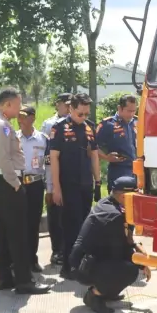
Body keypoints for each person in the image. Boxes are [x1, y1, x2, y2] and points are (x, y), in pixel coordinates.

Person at [0, 87, 51, 295]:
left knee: (3, 233)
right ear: (7, 104)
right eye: (18, 104)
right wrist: (16, 184)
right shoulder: (2, 126)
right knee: (18, 233)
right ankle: (24, 281)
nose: (20, 108)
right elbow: (5, 159)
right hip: (7, 181)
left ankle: (4, 278)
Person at [68, 176, 151, 313]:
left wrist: (137, 250)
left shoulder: (111, 204)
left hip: (90, 260)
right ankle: (95, 295)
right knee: (129, 270)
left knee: (125, 264)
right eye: (135, 195)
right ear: (125, 196)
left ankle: (107, 292)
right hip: (82, 267)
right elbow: (122, 251)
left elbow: (126, 242)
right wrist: (143, 263)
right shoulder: (114, 216)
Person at [49, 93, 100, 277]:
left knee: (85, 225)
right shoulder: (59, 128)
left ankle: (81, 263)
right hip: (67, 185)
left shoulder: (89, 128)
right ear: (71, 109)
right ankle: (68, 266)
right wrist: (56, 188)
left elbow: (94, 155)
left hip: (86, 183)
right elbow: (54, 158)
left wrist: (98, 181)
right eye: (81, 114)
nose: (84, 117)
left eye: (87, 114)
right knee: (71, 225)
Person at [17, 105, 48, 273]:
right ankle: (19, 261)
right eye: (18, 116)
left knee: (33, 224)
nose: (19, 119)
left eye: (23, 116)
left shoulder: (43, 139)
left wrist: (50, 187)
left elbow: (49, 163)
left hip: (36, 184)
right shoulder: (14, 138)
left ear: (32, 118)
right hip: (18, 184)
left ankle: (32, 259)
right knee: (19, 224)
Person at [41, 93, 71, 265]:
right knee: (55, 217)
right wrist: (50, 186)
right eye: (64, 104)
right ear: (57, 105)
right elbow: (47, 157)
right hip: (54, 176)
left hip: (71, 177)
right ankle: (57, 251)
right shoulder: (50, 125)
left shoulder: (76, 123)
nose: (67, 108)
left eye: (70, 104)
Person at [96, 94, 138, 192]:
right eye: (129, 111)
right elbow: (92, 146)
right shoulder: (107, 124)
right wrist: (106, 157)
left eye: (134, 111)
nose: (131, 114)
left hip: (137, 171)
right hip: (119, 171)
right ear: (120, 108)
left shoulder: (137, 122)